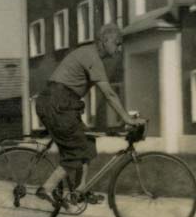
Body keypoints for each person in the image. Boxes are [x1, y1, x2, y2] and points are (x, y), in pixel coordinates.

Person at [35, 22, 145, 205]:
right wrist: (126, 118)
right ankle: (47, 188)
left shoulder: (91, 56)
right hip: (57, 103)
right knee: (76, 151)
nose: (120, 48)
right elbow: (109, 93)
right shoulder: (91, 57)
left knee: (87, 140)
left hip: (62, 103)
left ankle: (80, 190)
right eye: (117, 43)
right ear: (105, 40)